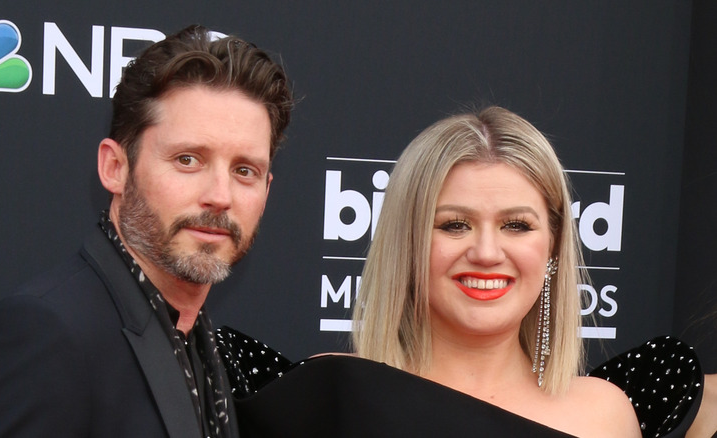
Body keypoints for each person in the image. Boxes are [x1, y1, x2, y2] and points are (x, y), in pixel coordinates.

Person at [0, 25, 293, 438]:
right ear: (115, 167)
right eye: (188, 159)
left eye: (244, 171)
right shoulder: (44, 336)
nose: (220, 196)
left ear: (267, 189)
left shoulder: (201, 346)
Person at [215, 107, 640, 437]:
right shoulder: (334, 390)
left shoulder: (602, 414)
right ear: (409, 241)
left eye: (516, 225)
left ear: (553, 244)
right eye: (455, 224)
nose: (487, 253)